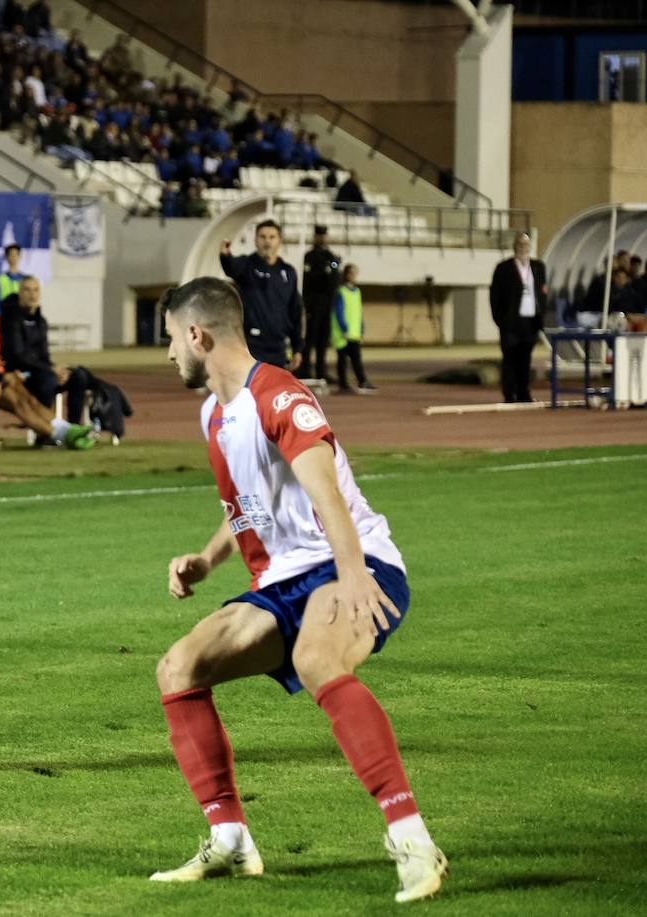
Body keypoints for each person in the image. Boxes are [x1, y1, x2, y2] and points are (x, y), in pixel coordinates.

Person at [153, 276, 447, 903]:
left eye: (171, 338)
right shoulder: (214, 412)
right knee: (179, 667)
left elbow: (327, 493)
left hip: (357, 561)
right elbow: (246, 508)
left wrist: (353, 576)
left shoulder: (279, 395)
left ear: (197, 334)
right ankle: (229, 841)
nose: (169, 352)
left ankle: (413, 841)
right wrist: (208, 559)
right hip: (284, 580)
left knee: (318, 658)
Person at [0, 274, 95, 449]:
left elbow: (3, 352)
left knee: (30, 400)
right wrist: (0, 373)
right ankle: (61, 436)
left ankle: (68, 430)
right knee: (20, 403)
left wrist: (10, 371)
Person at [1, 276, 93, 422]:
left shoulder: (41, 321)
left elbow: (44, 355)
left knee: (78, 375)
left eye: (36, 290)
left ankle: (73, 427)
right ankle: (45, 432)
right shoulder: (12, 319)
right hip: (22, 374)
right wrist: (50, 369)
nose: (32, 294)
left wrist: (58, 371)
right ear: (20, 293)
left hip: (42, 371)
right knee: (47, 380)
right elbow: (19, 356)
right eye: (27, 290)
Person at [219, 221, 304, 370]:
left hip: (278, 346)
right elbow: (231, 267)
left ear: (280, 241)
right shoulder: (246, 266)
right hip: (251, 346)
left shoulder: (288, 272)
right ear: (256, 240)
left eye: (272, 237)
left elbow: (295, 311)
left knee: (274, 391)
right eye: (263, 237)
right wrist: (225, 256)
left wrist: (297, 348)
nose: (267, 241)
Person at [489, 233, 547, 404]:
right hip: (511, 322)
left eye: (526, 244)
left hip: (530, 321)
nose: (523, 247)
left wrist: (541, 316)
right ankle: (509, 394)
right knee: (509, 359)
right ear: (514, 246)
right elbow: (495, 296)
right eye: (520, 244)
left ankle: (524, 392)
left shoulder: (538, 267)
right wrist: (501, 320)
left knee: (525, 359)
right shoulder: (503, 268)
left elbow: (543, 293)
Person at [300, 225, 340, 382]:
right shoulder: (309, 256)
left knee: (323, 339)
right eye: (319, 236)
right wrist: (326, 271)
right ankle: (304, 369)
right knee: (310, 338)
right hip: (312, 303)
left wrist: (330, 269)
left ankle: (321, 371)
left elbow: (334, 277)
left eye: (324, 236)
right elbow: (310, 279)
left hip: (326, 303)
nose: (322, 239)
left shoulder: (330, 256)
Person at [332, 264, 374, 393]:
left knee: (356, 359)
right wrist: (344, 328)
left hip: (354, 333)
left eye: (356, 273)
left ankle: (362, 381)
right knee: (342, 360)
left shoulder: (357, 292)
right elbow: (339, 312)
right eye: (352, 273)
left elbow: (358, 312)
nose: (354, 276)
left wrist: (361, 328)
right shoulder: (341, 292)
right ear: (346, 275)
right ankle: (343, 384)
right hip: (343, 333)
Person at [0, 243, 25, 308]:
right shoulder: (1, 278)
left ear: (20, 256)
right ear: (6, 257)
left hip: (21, 315)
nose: (13, 257)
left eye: (16, 254)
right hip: (5, 315)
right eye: (11, 255)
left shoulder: (25, 279)